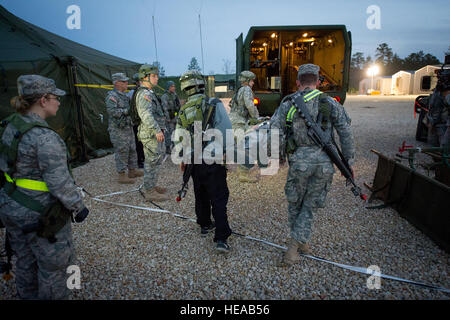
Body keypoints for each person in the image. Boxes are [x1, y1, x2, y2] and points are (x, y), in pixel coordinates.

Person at [0, 75, 89, 299]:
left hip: (11, 206)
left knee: (25, 261)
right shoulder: (45, 138)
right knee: (58, 268)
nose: (58, 101)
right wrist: (78, 207)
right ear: (42, 100)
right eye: (55, 97)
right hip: (40, 214)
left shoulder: (10, 125)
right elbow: (59, 182)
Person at [269, 64, 355, 265]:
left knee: (295, 203)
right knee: (309, 206)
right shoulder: (330, 103)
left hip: (299, 161)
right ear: (318, 81)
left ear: (298, 82)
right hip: (326, 162)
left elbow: (275, 132)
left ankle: (294, 247)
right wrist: (348, 161)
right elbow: (345, 132)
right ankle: (300, 243)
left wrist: (279, 157)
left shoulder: (287, 104)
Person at [174, 70, 233, 252]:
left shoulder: (184, 109)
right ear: (201, 84)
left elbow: (179, 137)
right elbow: (226, 129)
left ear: (185, 88)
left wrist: (182, 159)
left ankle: (205, 224)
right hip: (212, 158)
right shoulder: (213, 103)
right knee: (218, 196)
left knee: (200, 193)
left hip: (193, 160)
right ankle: (221, 238)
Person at [135, 64, 170, 202]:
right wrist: (156, 130)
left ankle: (152, 186)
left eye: (157, 76)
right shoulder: (144, 94)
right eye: (154, 76)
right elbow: (145, 115)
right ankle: (149, 191)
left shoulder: (149, 93)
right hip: (150, 134)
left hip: (153, 133)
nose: (157, 79)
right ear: (145, 77)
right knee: (151, 161)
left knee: (155, 161)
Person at [106, 73, 143, 184]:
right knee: (122, 150)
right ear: (117, 83)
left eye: (126, 81)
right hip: (118, 129)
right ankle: (121, 175)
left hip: (128, 127)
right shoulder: (112, 97)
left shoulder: (125, 96)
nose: (126, 83)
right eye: (124, 82)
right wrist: (128, 111)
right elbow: (112, 112)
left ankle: (132, 171)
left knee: (132, 149)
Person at [229, 70, 260, 183]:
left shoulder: (239, 91)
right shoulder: (247, 90)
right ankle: (243, 174)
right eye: (252, 81)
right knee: (244, 147)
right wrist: (257, 117)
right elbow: (249, 105)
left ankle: (222, 167)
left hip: (233, 121)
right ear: (247, 81)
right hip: (239, 122)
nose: (253, 83)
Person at [128, 73, 145, 168]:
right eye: (140, 81)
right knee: (138, 142)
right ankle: (139, 161)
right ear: (137, 82)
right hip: (136, 122)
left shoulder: (145, 92)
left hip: (144, 121)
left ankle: (143, 158)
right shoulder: (131, 93)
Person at [161, 81, 181, 155]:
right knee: (169, 133)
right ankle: (168, 147)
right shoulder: (165, 96)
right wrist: (167, 118)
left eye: (174, 86)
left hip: (175, 116)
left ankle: (174, 146)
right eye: (172, 86)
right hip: (169, 118)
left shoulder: (175, 95)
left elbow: (179, 106)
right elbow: (164, 108)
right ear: (168, 87)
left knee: (175, 133)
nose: (174, 88)